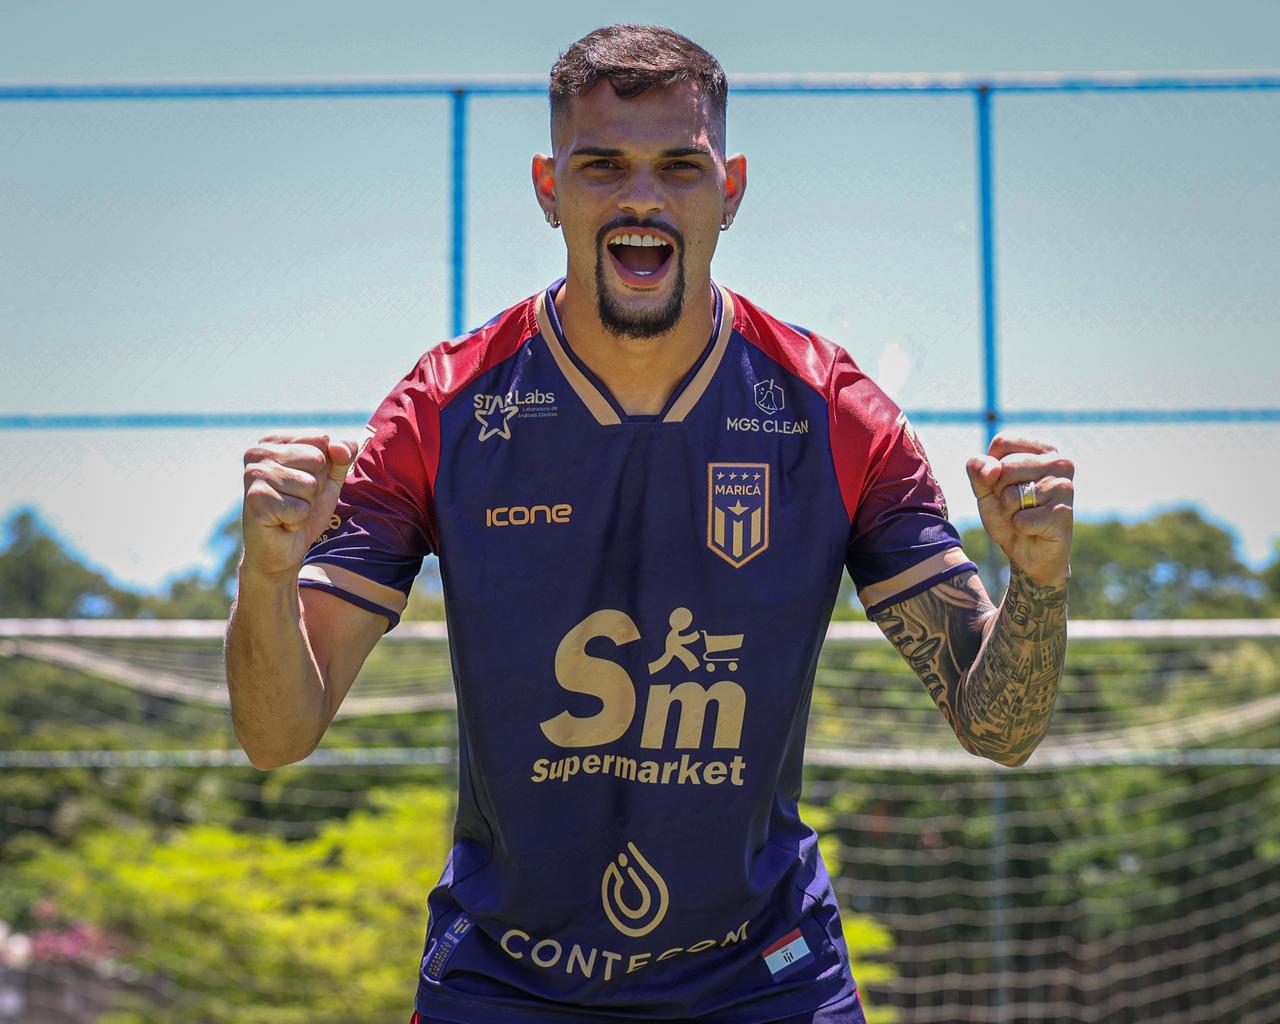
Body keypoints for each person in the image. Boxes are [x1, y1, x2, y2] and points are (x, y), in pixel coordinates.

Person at [225, 23, 1074, 1024]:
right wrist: (269, 578)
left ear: (731, 187)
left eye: (679, 165)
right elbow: (277, 735)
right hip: (504, 979)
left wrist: (1038, 582)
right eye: (602, 167)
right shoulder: (443, 409)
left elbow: (996, 724)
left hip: (761, 974)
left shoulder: (835, 416)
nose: (640, 197)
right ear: (548, 188)